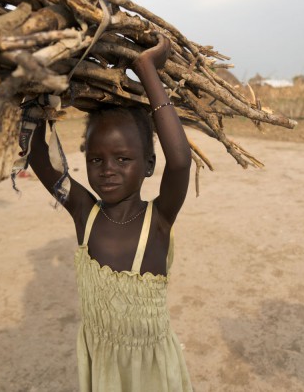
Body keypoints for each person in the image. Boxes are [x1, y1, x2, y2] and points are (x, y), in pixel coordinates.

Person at [29, 34, 193, 391]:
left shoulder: (159, 220)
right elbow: (39, 158)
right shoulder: (83, 212)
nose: (107, 170)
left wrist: (148, 70)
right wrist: (35, 98)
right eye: (95, 159)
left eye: (123, 159)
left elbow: (180, 161)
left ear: (149, 165)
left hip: (152, 374)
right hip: (104, 370)